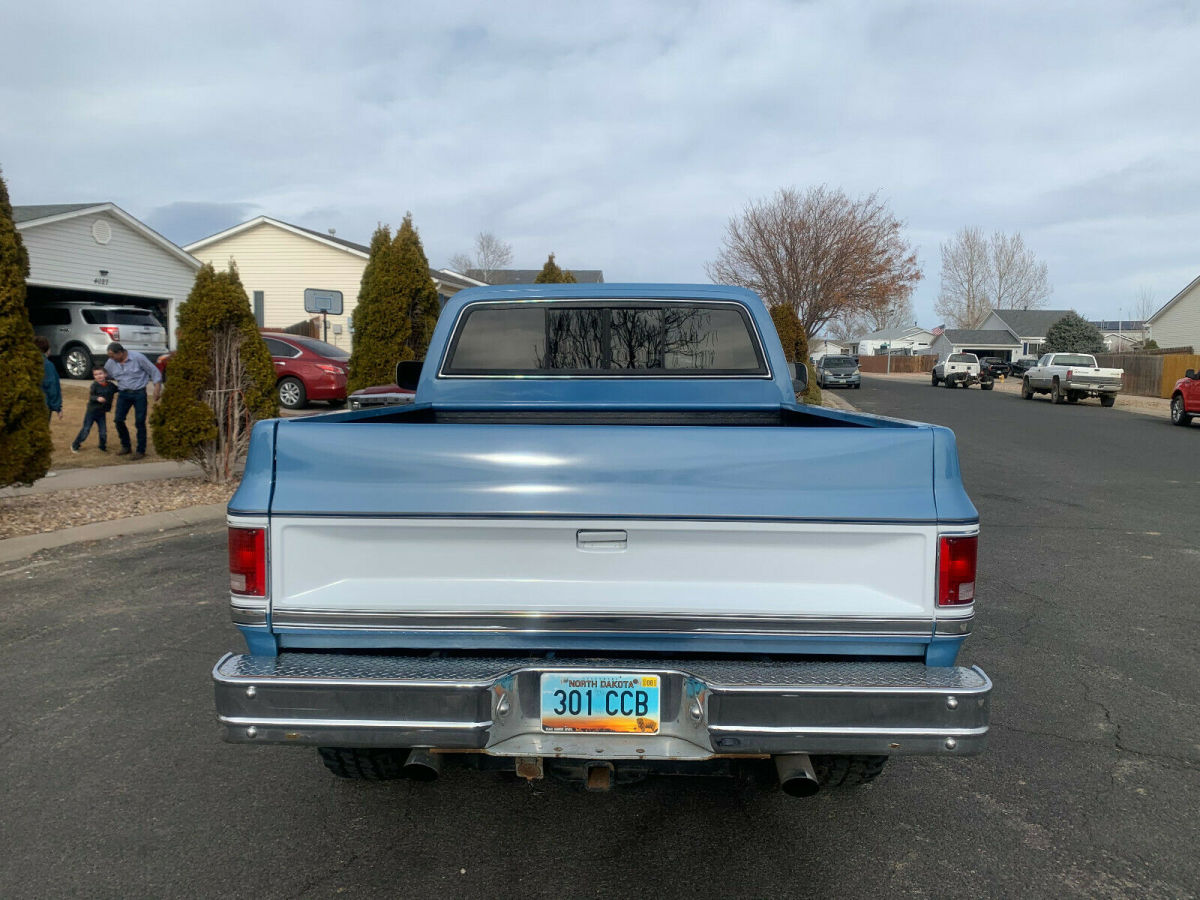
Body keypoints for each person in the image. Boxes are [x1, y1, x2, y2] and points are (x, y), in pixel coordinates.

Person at [103, 341, 163, 460]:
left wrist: (157, 389)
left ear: (120, 353)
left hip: (139, 393)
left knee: (139, 422)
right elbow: (106, 375)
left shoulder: (138, 358)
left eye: (113, 356)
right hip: (123, 393)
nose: (111, 359)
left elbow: (154, 371)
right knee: (118, 420)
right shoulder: (111, 362)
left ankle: (141, 450)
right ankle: (126, 446)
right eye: (110, 357)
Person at [71, 368, 117, 453]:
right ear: (94, 376)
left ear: (105, 374)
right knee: (86, 429)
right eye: (96, 374)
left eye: (100, 374)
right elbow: (91, 396)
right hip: (92, 412)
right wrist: (97, 398)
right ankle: (75, 445)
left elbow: (118, 389)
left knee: (103, 431)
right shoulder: (94, 385)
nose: (98, 376)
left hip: (102, 412)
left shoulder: (111, 385)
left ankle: (102, 446)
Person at [34, 335, 62, 424]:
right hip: (43, 405)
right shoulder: (48, 365)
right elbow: (52, 386)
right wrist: (57, 407)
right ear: (47, 349)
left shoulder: (26, 363)